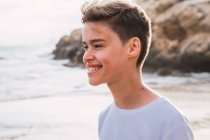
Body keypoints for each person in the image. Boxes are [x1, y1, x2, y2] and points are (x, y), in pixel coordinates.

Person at [81, 0, 194, 140]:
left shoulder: (171, 122)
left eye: (97, 45)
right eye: (85, 47)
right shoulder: (104, 118)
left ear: (132, 48)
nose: (86, 56)